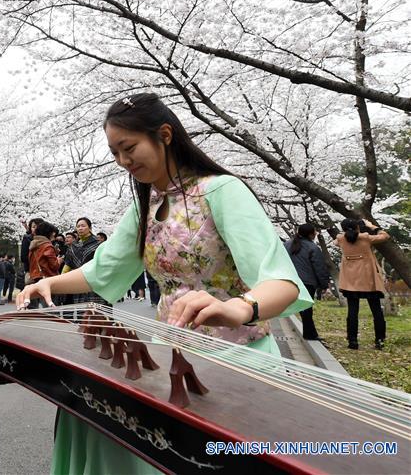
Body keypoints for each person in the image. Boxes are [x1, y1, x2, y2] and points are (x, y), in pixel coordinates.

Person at [17, 93, 311, 475]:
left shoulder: (221, 191)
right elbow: (103, 270)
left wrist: (238, 308)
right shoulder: (145, 206)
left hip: (236, 356)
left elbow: (281, 281)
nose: (124, 161)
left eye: (129, 147)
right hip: (171, 353)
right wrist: (50, 284)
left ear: (166, 135)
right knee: (109, 426)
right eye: (115, 153)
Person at [336, 218, 390, 350]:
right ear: (358, 228)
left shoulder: (340, 239)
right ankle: (379, 340)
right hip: (368, 280)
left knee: (353, 311)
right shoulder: (365, 238)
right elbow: (385, 236)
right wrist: (371, 226)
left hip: (351, 281)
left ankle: (352, 341)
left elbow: (335, 242)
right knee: (376, 310)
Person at [285, 223, 330, 341]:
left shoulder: (287, 244)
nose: (316, 233)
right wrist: (324, 284)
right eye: (314, 232)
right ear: (310, 234)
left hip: (291, 280)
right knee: (306, 308)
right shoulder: (313, 248)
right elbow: (319, 267)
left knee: (303, 308)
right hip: (307, 282)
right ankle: (310, 334)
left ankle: (310, 332)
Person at [59, 217, 102, 305]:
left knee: (98, 313)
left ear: (90, 228)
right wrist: (60, 280)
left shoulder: (99, 244)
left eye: (83, 226)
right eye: (78, 226)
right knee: (81, 312)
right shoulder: (73, 247)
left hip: (95, 283)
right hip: (79, 283)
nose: (80, 228)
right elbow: (68, 265)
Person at [28, 221, 60, 307]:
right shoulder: (47, 246)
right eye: (53, 233)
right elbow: (54, 266)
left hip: (36, 277)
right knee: (50, 305)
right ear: (48, 232)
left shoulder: (33, 245)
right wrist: (58, 260)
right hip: (48, 278)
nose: (54, 235)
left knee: (43, 304)